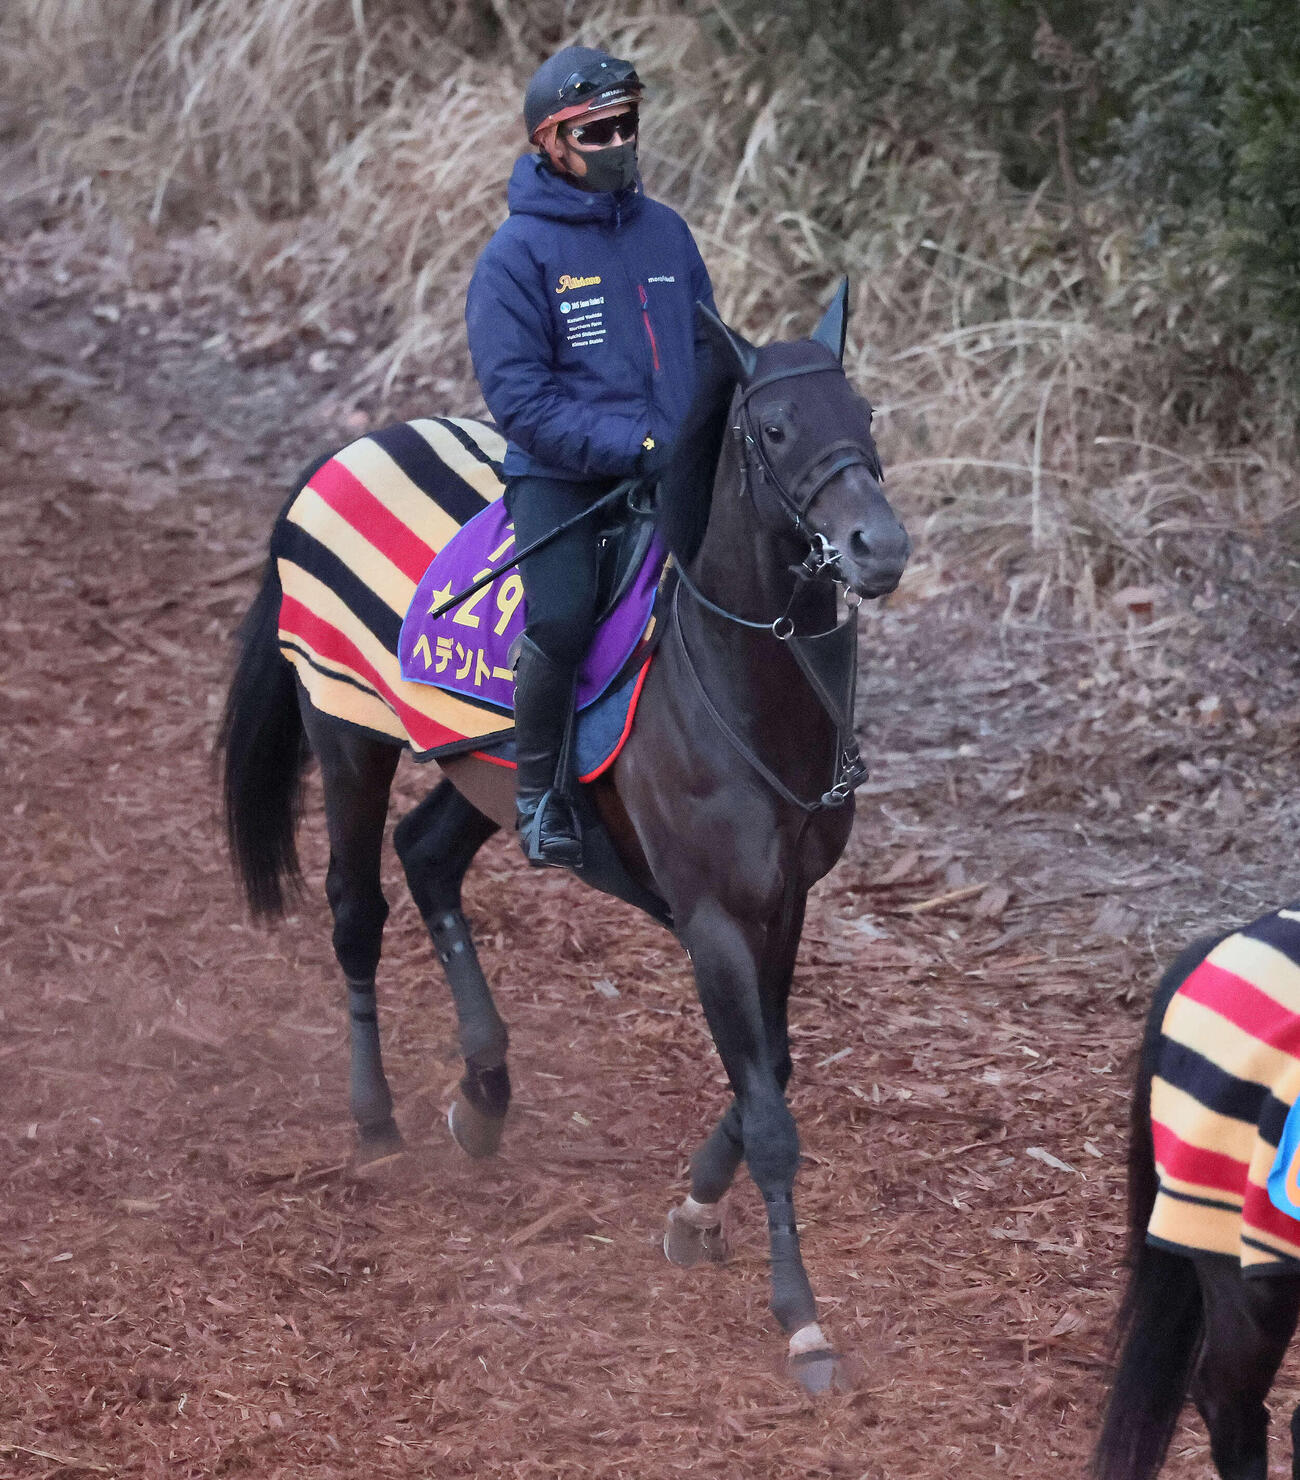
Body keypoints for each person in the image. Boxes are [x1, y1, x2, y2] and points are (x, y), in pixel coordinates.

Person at [466, 44, 716, 869]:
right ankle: (539, 796)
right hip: (565, 479)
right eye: (596, 131)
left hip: (674, 468)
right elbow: (522, 403)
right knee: (564, 616)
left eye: (626, 125)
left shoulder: (668, 234)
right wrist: (637, 445)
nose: (618, 143)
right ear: (551, 143)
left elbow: (711, 347)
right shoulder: (515, 257)